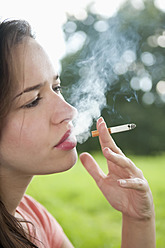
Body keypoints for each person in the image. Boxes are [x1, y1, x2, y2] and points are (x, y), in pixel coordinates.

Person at [0, 19, 155, 248]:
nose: (69, 110)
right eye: (33, 101)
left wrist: (138, 220)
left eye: (57, 88)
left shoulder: (35, 220)